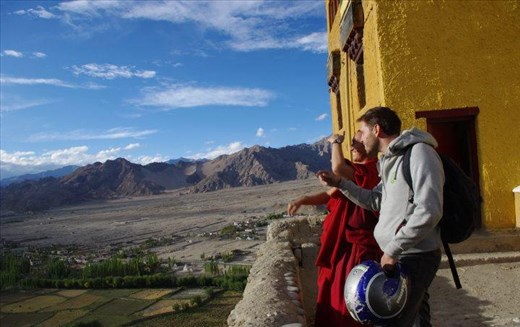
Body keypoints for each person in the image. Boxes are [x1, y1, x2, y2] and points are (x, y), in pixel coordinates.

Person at [317, 106, 444, 327]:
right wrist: (340, 184)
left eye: (362, 132)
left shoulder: (420, 153)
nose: (359, 139)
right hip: (399, 255)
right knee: (414, 319)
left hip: (415, 254)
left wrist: (393, 250)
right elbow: (375, 200)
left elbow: (429, 210)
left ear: (376, 130)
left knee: (395, 321)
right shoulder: (389, 160)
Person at [288, 132, 381, 327]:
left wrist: (335, 141)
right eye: (351, 143)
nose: (352, 146)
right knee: (333, 290)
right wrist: (304, 199)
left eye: (356, 142)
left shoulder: (370, 171)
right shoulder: (354, 173)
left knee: (353, 293)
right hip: (341, 245)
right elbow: (330, 194)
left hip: (358, 246)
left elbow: (338, 168)